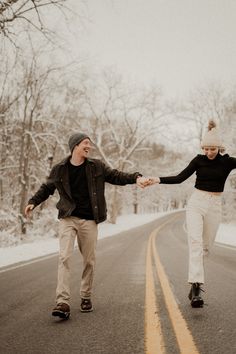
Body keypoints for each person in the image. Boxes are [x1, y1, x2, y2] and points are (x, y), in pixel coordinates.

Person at [25, 132, 149, 319]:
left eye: (89, 144)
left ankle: (85, 296)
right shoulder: (60, 168)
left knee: (89, 260)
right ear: (75, 146)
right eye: (85, 143)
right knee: (64, 257)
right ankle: (62, 302)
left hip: (89, 219)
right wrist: (33, 201)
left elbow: (116, 176)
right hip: (68, 217)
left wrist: (136, 177)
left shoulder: (96, 167)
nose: (88, 146)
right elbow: (47, 188)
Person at [149, 120, 236, 307]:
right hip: (197, 203)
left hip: (215, 205)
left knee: (206, 248)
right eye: (206, 149)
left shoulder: (228, 162)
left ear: (219, 147)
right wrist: (157, 179)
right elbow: (180, 178)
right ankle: (196, 286)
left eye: (212, 149)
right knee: (195, 244)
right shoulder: (198, 160)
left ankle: (195, 283)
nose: (209, 152)